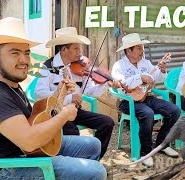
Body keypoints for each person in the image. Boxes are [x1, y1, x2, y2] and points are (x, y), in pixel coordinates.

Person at [0, 17, 107, 180]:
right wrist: (64, 116)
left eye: (26, 53)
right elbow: (29, 142)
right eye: (14, 53)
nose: (24, 60)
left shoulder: (10, 84)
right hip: (8, 167)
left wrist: (59, 95)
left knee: (93, 145)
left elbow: (32, 118)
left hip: (26, 152)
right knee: (96, 172)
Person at [35, 27, 121, 159]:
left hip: (75, 111)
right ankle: (74, 165)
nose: (79, 52)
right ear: (64, 50)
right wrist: (69, 97)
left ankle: (95, 160)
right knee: (72, 131)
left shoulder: (79, 67)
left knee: (107, 122)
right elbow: (39, 94)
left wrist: (105, 84)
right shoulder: (48, 67)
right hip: (56, 112)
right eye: (75, 48)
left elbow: (91, 91)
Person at [111, 33, 181, 167]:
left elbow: (158, 79)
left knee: (175, 110)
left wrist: (162, 70)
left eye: (142, 46)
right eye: (138, 47)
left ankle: (162, 143)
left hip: (146, 97)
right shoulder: (119, 66)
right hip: (128, 101)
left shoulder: (145, 63)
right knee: (147, 113)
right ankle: (145, 152)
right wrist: (140, 78)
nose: (142, 50)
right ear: (128, 50)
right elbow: (121, 86)